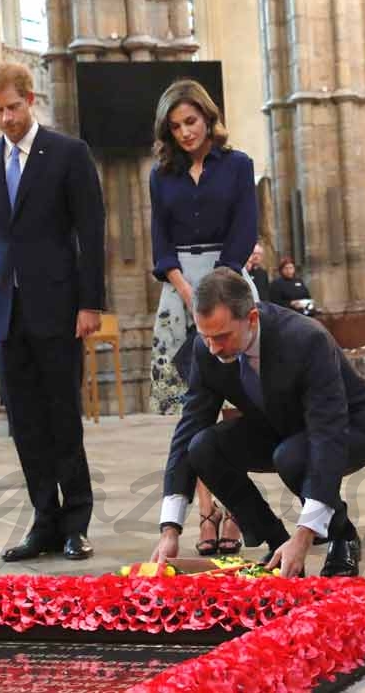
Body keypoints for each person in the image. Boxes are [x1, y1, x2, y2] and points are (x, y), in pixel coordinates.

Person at [150, 268, 365, 578]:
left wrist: (304, 536)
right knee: (203, 447)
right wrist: (170, 530)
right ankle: (276, 541)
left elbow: (326, 435)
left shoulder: (306, 339)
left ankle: (342, 535)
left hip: (353, 424)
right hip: (283, 423)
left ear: (251, 319)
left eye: (222, 336)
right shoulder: (206, 348)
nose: (213, 348)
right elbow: (189, 429)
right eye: (206, 336)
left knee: (292, 457)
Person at [0, 61, 106, 562]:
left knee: (62, 416)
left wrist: (90, 302)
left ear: (31, 100)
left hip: (59, 304)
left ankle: (77, 522)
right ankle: (43, 520)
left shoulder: (68, 153)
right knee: (24, 421)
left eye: (13, 107)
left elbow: (90, 232)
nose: (5, 119)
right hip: (6, 309)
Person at [148, 79, 260, 556]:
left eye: (191, 121)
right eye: (175, 126)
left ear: (208, 119)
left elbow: (245, 229)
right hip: (179, 289)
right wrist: (186, 288)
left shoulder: (237, 166)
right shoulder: (161, 175)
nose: (185, 132)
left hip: (228, 280)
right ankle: (205, 513)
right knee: (193, 408)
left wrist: (215, 288)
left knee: (236, 405)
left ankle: (235, 512)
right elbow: (160, 242)